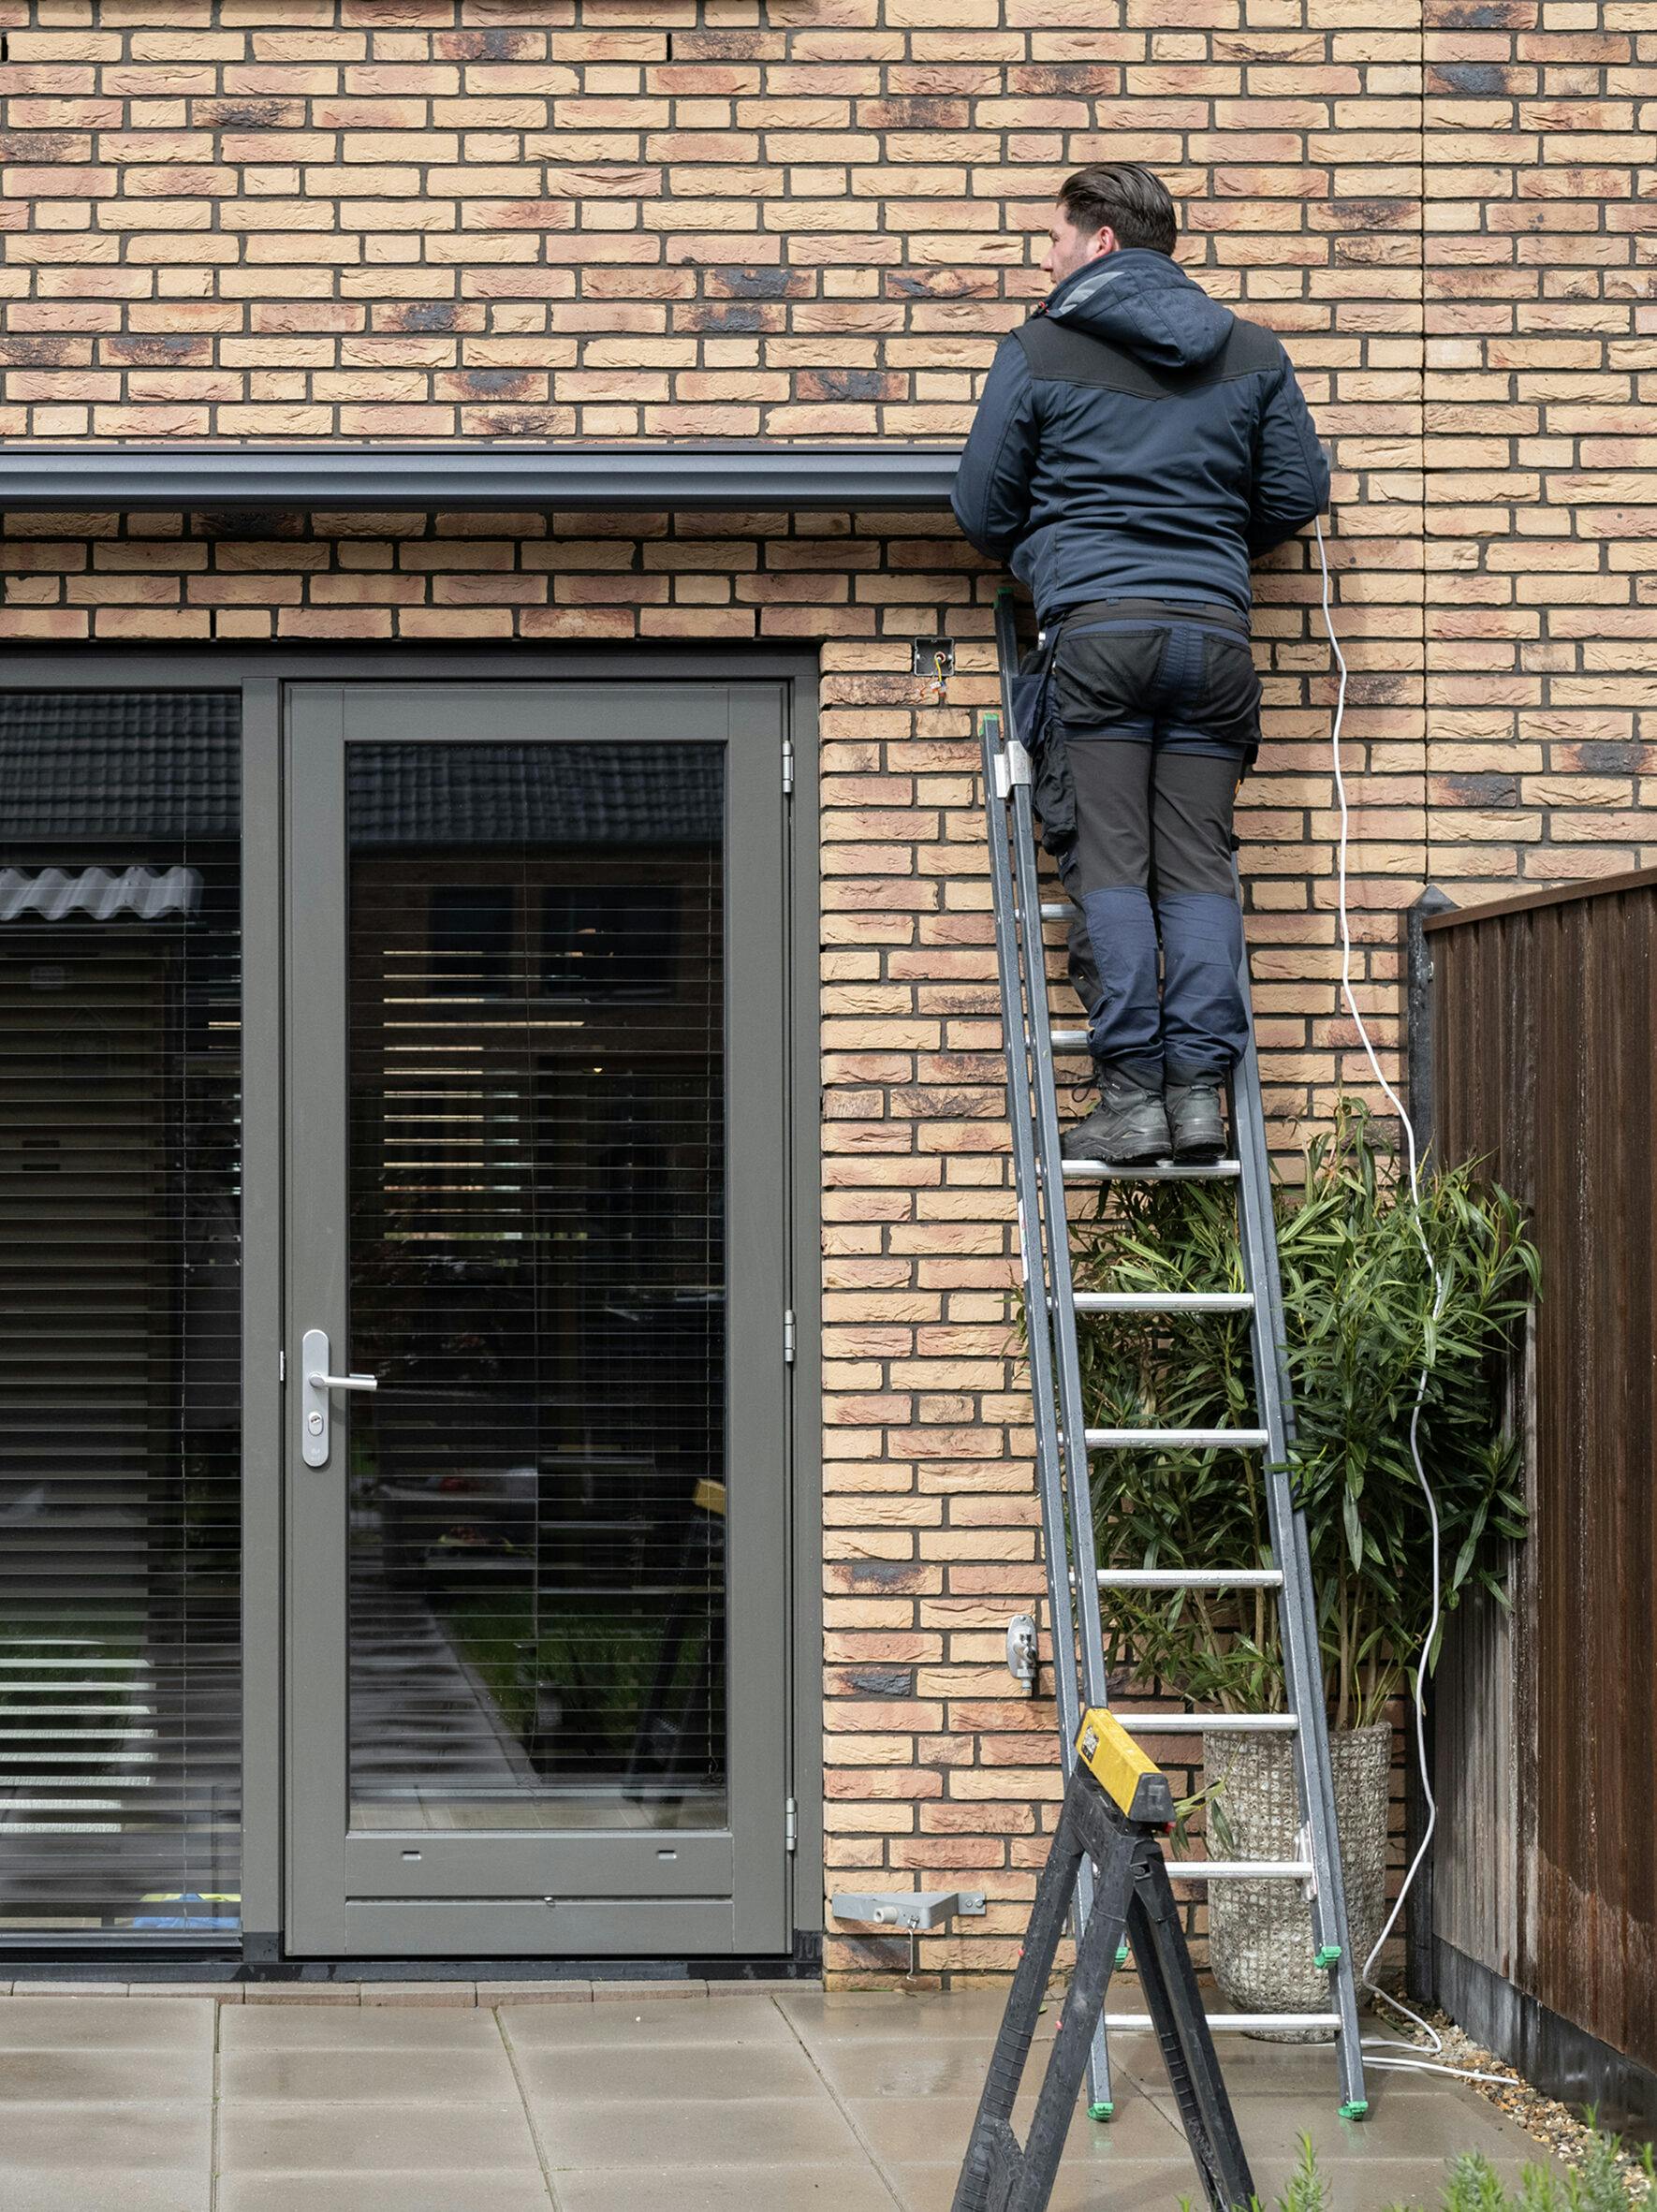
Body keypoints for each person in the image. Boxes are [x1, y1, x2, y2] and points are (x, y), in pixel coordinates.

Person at [951, 163, 1329, 1165]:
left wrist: (1070, 542)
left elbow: (983, 510)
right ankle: (1200, 1096)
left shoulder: (1039, 348)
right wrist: (1201, 541)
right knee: (1200, 869)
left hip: (1101, 635)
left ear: (1101, 242)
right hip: (1214, 640)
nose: (1045, 255)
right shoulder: (1251, 350)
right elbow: (1295, 494)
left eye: (1055, 237)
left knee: (1114, 867)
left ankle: (1132, 1099)